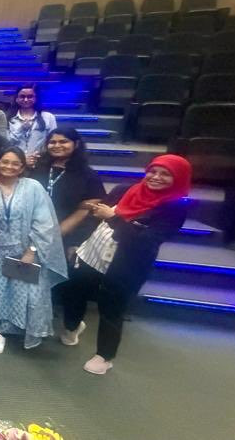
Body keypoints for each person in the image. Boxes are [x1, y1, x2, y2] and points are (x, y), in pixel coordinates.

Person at [61, 155, 191, 375]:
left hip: (127, 264)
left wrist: (114, 217)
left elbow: (146, 240)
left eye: (165, 174)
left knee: (112, 307)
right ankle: (72, 326)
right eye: (153, 171)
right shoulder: (124, 189)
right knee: (74, 290)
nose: (156, 177)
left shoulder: (175, 207)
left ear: (178, 178)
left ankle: (105, 356)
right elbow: (95, 217)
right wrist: (78, 242)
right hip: (92, 252)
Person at [0, 147, 67, 353]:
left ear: (22, 167)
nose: (9, 166)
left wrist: (32, 250)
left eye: (15, 163)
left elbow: (44, 223)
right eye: (5, 162)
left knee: (19, 294)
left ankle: (2, 331)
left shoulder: (33, 188)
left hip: (23, 251)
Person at [29, 128, 106, 260]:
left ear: (76, 144)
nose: (57, 145)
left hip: (65, 236)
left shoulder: (88, 175)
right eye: (52, 142)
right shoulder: (38, 168)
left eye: (63, 141)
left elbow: (85, 211)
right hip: (31, 230)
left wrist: (55, 235)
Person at [6, 84, 58, 168]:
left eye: (30, 96)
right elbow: (6, 143)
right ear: (17, 99)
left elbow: (53, 141)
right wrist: (21, 129)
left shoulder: (48, 117)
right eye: (22, 96)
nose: (26, 99)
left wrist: (40, 156)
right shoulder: (8, 118)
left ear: (36, 98)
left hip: (40, 161)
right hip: (15, 162)